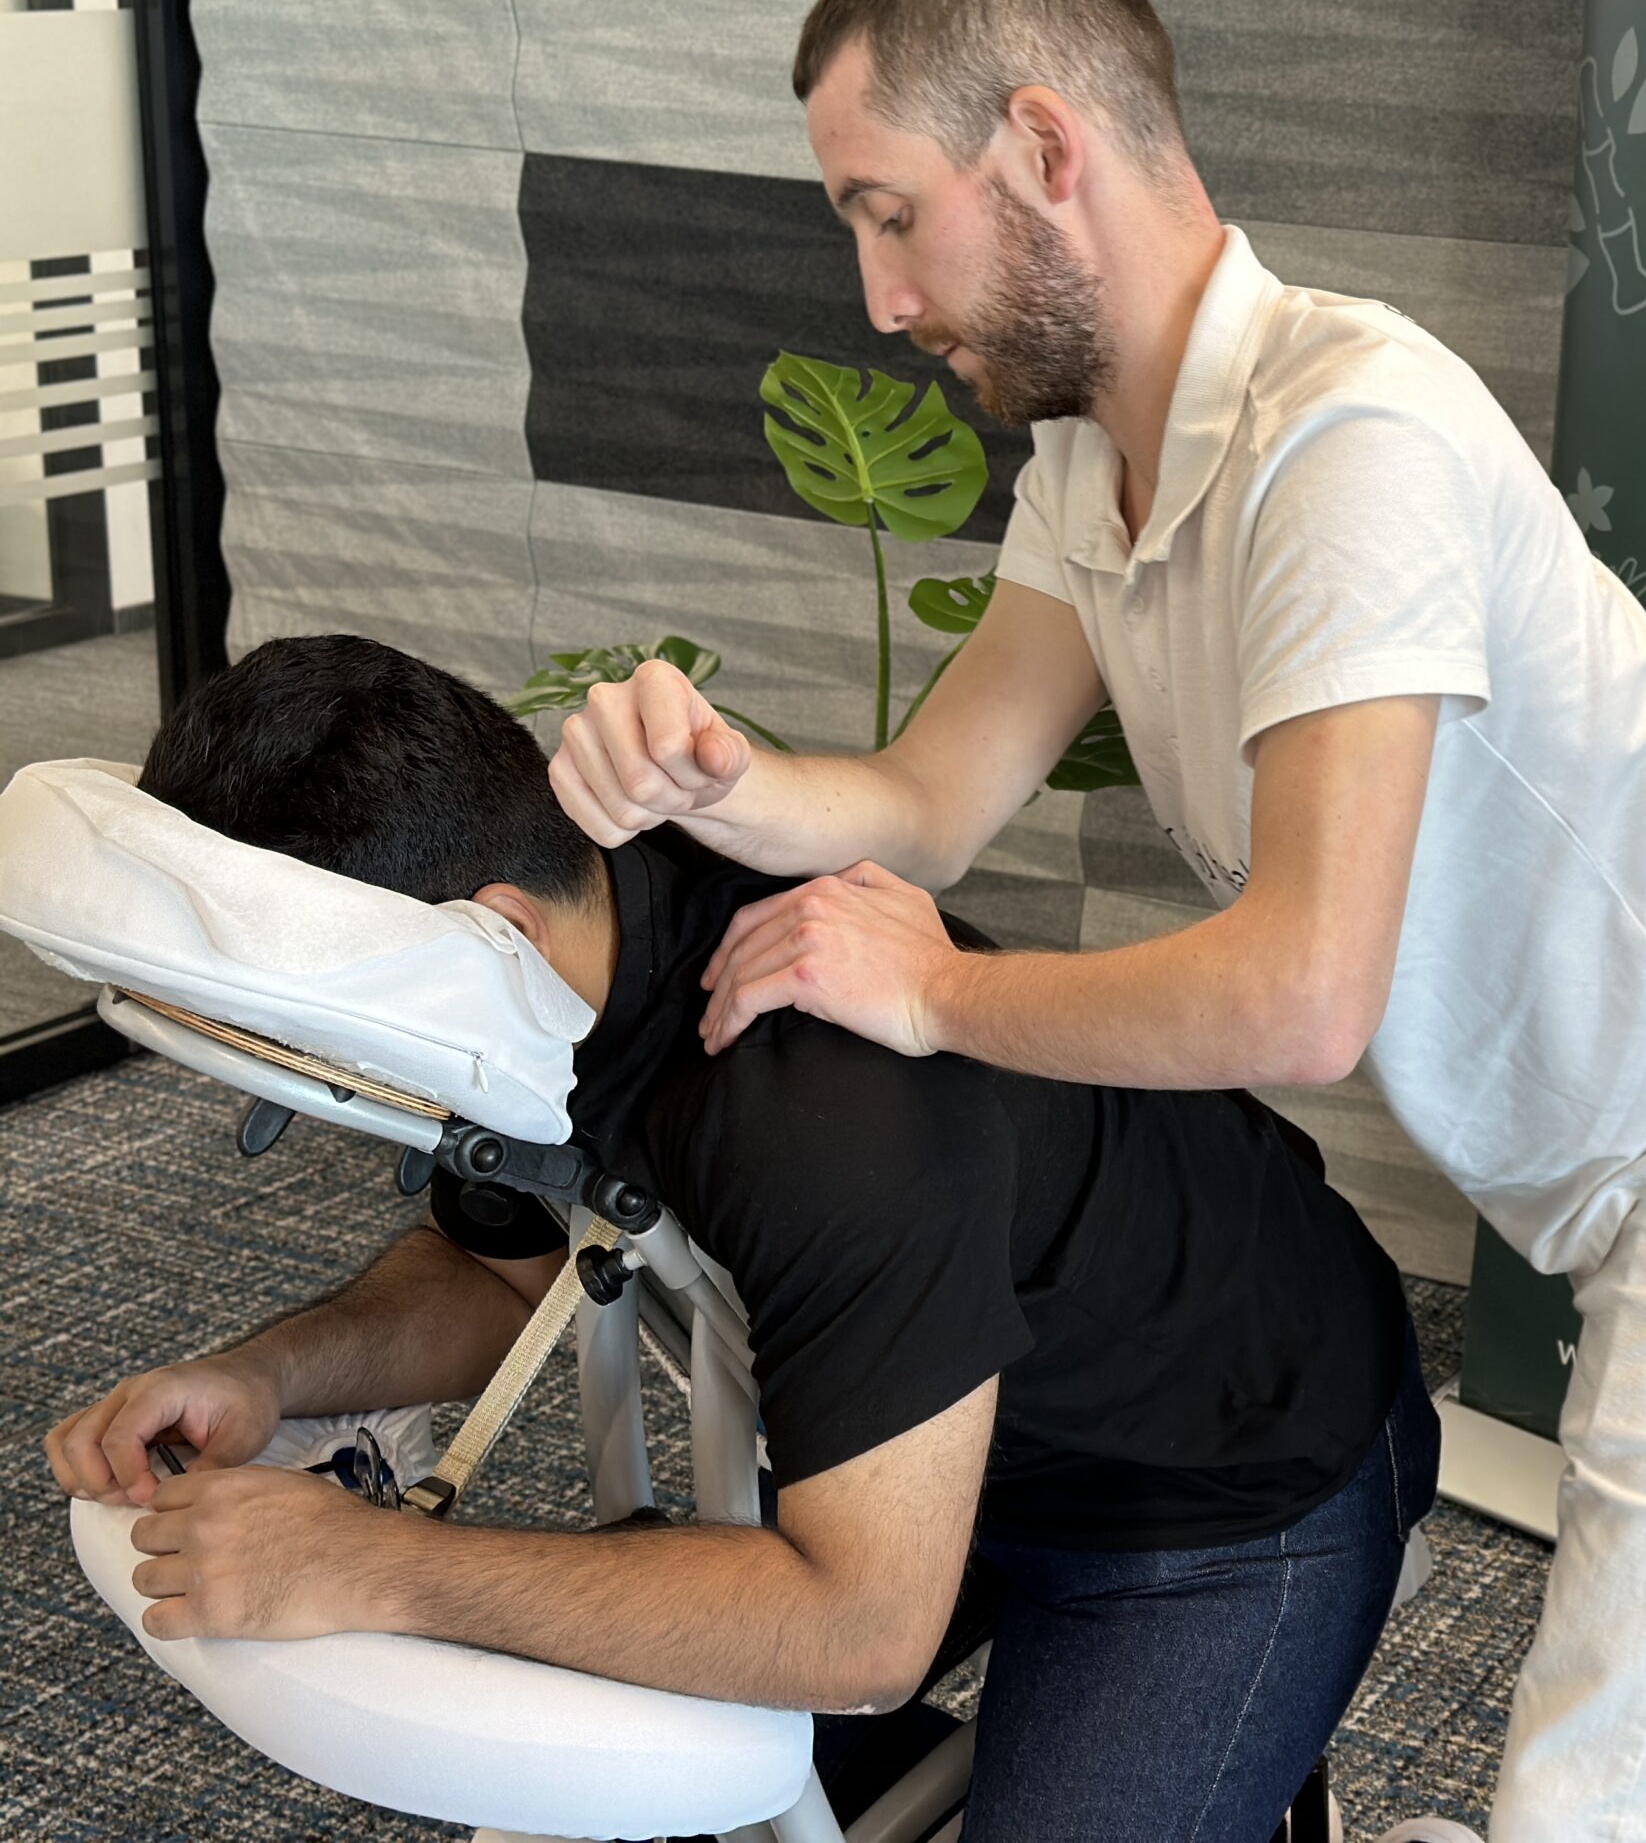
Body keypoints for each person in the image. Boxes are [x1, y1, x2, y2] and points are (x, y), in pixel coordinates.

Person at [551, 0, 1646, 1839]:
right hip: (1644, 1117)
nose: (882, 295)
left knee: (1616, 1792)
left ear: (1045, 149)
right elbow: (923, 804)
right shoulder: (1096, 469)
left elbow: (1303, 992)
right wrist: (726, 782)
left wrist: (933, 993)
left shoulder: (1347, 439)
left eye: (891, 216)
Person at [43, 634, 1438, 1843]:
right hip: (914, 1448)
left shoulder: (817, 1111)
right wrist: (269, 1376)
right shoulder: (526, 985)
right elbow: (494, 1271)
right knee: (639, 1763)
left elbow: (859, 1629)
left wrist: (372, 1565)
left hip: (1220, 1482)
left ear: (492, 931)